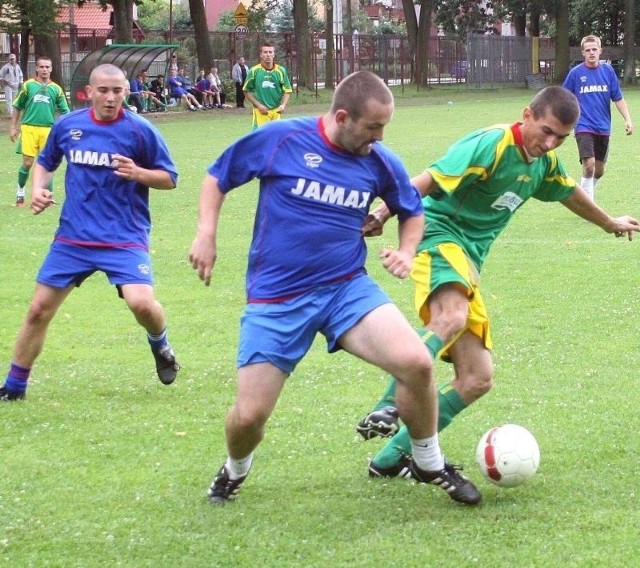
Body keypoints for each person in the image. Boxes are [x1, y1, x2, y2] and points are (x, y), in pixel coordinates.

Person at [188, 70, 482, 507]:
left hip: (345, 289)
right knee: (249, 416)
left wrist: (405, 248)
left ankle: (427, 460)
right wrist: (206, 233)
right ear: (342, 116)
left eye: (384, 127)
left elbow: (412, 210)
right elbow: (218, 177)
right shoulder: (282, 140)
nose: (379, 137)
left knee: (416, 362)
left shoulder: (379, 160)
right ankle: (235, 469)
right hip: (278, 298)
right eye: (373, 127)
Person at [355, 86, 640, 478]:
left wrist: (608, 222)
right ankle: (388, 405)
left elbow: (569, 192)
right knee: (452, 316)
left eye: (561, 137)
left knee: (476, 378)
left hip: (468, 260)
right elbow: (429, 179)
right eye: (546, 130)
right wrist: (385, 213)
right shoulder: (491, 145)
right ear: (526, 115)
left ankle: (390, 460)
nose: (550, 142)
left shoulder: (543, 163)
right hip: (438, 235)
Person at [0, 63, 180, 402]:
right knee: (38, 310)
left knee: (142, 305)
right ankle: (14, 387)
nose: (111, 98)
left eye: (118, 91)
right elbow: (44, 162)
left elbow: (170, 178)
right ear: (89, 93)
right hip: (73, 238)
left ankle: (161, 344)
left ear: (126, 92)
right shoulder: (69, 125)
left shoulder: (141, 130)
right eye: (104, 91)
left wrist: (138, 172)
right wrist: (39, 189)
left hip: (124, 237)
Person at [562, 35, 633, 201]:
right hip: (583, 126)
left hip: (603, 127)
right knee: (589, 165)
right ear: (583, 53)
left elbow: (618, 98)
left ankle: (583, 193)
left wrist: (628, 119)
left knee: (599, 170)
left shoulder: (608, 71)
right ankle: (588, 204)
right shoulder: (576, 74)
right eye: (588, 50)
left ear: (600, 51)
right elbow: (564, 98)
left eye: (594, 49)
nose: (591, 53)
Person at [9, 56, 69, 207]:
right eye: (41, 67)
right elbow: (17, 106)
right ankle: (20, 192)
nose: (44, 70)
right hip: (29, 128)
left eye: (47, 67)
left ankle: (47, 196)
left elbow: (65, 112)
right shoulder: (28, 86)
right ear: (36, 68)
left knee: (48, 165)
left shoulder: (56, 89)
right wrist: (13, 127)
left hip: (48, 130)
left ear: (51, 69)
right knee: (28, 163)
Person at [243, 43, 292, 129]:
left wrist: (283, 105)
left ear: (274, 54)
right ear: (261, 54)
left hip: (276, 111)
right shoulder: (254, 71)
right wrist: (258, 105)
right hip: (261, 111)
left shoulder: (281, 70)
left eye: (270, 52)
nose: (268, 54)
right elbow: (246, 91)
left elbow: (287, 90)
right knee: (260, 138)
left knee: (276, 137)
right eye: (265, 52)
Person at [0, 53, 23, 118]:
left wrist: (20, 82)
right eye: (11, 59)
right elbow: (1, 75)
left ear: (15, 59)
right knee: (9, 99)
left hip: (16, 85)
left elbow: (21, 75)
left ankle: (14, 113)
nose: (12, 60)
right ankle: (10, 113)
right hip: (8, 85)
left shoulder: (18, 67)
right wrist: (3, 81)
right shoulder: (6, 67)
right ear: (9, 60)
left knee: (15, 99)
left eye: (13, 59)